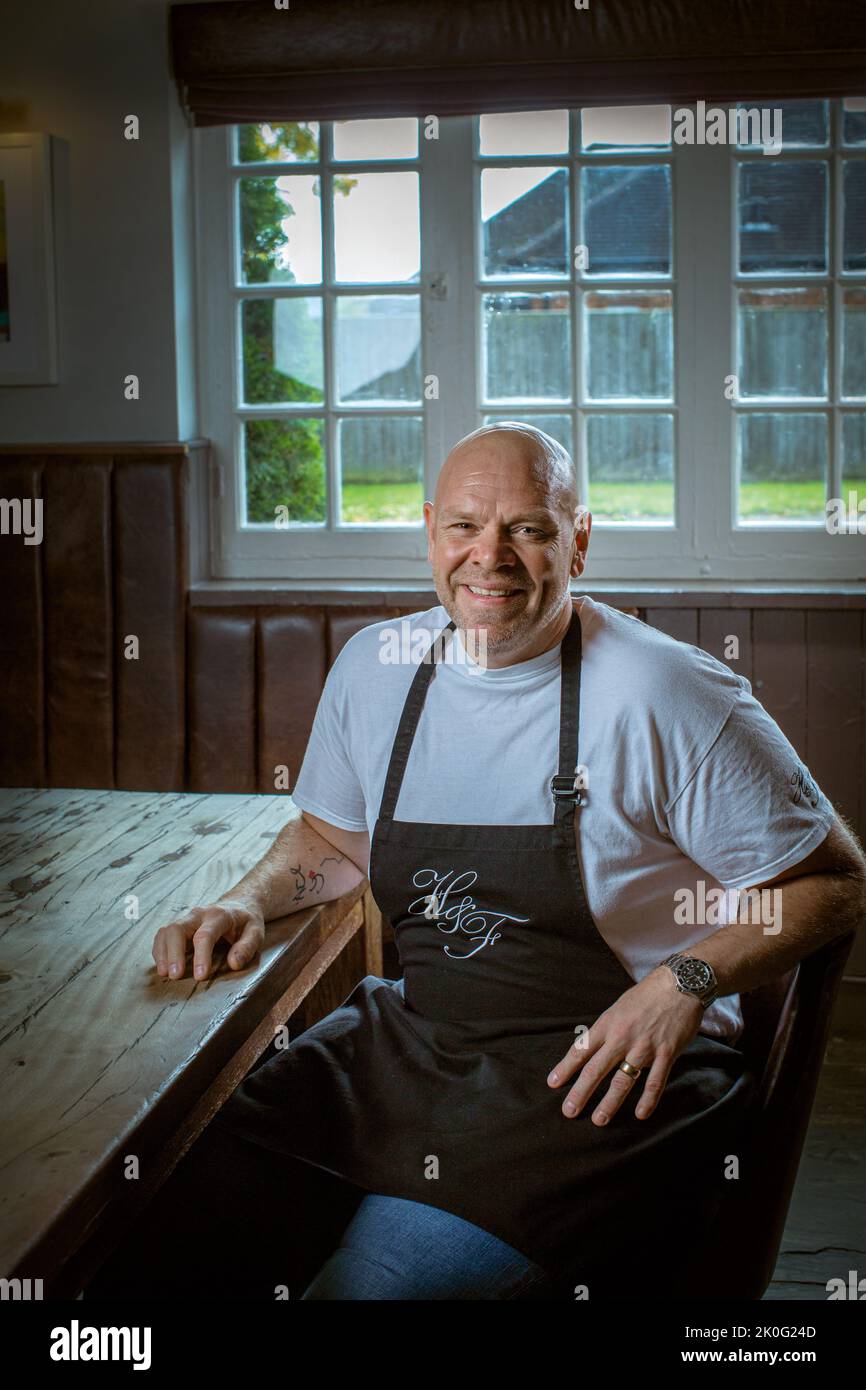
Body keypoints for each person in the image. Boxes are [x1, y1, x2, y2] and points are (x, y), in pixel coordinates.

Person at [87, 422, 866, 1302]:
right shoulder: (376, 673)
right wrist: (248, 900)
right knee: (149, 1243)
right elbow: (335, 841)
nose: (488, 557)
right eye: (464, 526)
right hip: (412, 1046)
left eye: (529, 530)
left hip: (595, 1085)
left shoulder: (665, 692)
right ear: (429, 531)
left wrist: (684, 979)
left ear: (579, 540)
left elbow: (832, 882)